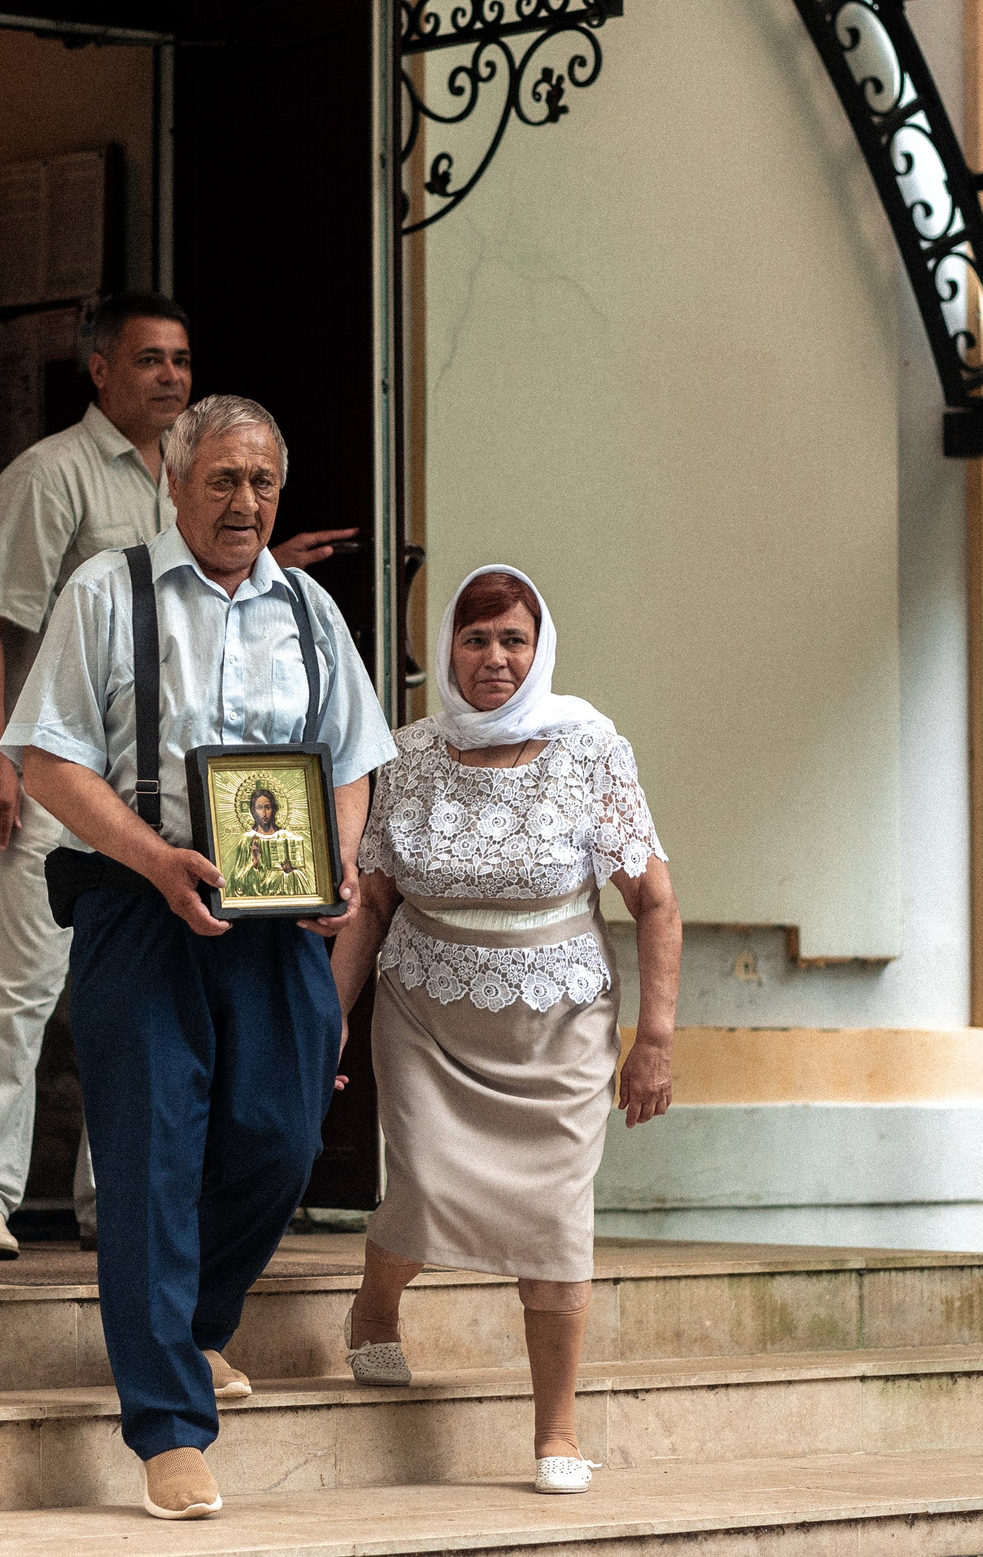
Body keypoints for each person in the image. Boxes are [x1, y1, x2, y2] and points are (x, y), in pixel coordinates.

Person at [3, 395, 396, 1519]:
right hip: (142, 908)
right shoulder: (106, 593)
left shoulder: (312, 610)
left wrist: (344, 858)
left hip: (278, 919)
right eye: (221, 479)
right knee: (151, 1158)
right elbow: (45, 759)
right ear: (173, 486)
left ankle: (195, 1322)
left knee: (279, 1137)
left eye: (263, 482)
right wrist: (152, 856)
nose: (244, 502)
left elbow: (354, 757)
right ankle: (170, 1425)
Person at [0, 295, 355, 1260]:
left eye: (181, 360)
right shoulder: (51, 476)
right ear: (98, 369)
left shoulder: (189, 477)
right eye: (149, 360)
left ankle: (109, 1203)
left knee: (136, 1017)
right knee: (18, 990)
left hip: (177, 811)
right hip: (61, 777)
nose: (171, 376)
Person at [327, 564, 681, 1496]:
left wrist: (658, 1036)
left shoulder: (592, 747)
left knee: (556, 1217)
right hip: (426, 1016)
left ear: (541, 647)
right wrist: (327, 1022)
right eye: (476, 638)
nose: (495, 658)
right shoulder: (402, 755)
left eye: (513, 638)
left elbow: (654, 900)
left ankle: (556, 1426)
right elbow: (369, 904)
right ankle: (373, 1312)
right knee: (424, 1188)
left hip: (560, 1029)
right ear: (446, 647)